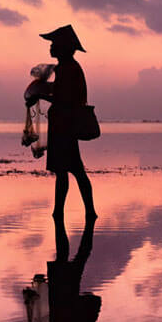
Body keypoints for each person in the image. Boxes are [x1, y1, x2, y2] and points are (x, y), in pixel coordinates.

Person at [37, 25, 96, 222]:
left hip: (64, 127)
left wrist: (41, 95)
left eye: (54, 44)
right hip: (64, 126)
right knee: (71, 171)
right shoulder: (67, 68)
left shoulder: (68, 68)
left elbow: (64, 98)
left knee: (69, 171)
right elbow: (60, 90)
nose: (51, 47)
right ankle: (67, 212)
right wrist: (43, 90)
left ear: (62, 47)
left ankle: (64, 212)